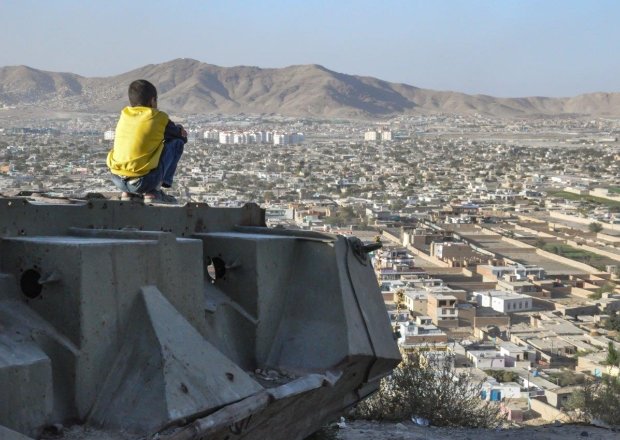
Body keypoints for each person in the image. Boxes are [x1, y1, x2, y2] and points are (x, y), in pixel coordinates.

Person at [107, 79, 187, 203]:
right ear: (152, 100)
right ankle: (153, 192)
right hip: (144, 182)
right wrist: (181, 130)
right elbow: (180, 136)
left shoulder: (124, 115)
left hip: (117, 179)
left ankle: (127, 194)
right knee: (177, 143)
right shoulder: (158, 117)